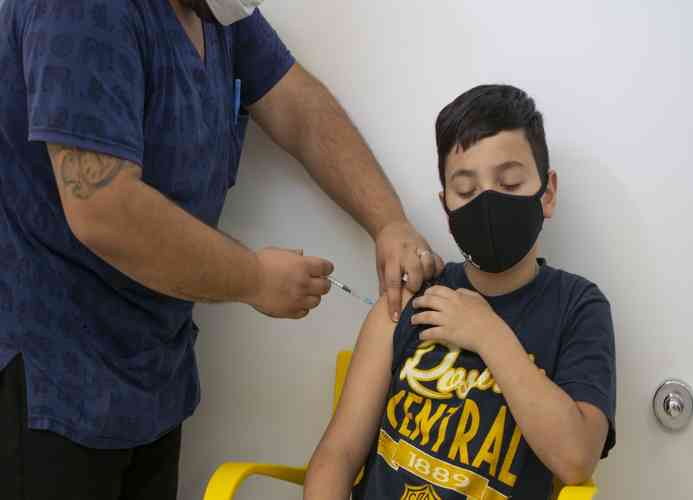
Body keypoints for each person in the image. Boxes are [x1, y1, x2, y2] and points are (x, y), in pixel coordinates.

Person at [0, 1, 443, 499]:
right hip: (49, 382)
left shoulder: (216, 15)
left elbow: (298, 108)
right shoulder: (81, 11)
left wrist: (388, 221)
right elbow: (103, 208)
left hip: (149, 374)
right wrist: (256, 279)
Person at [304, 85, 617, 500]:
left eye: (509, 183)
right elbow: (338, 455)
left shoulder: (577, 308)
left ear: (548, 193)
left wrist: (488, 333)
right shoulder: (412, 295)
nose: (487, 204)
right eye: (466, 191)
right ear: (447, 207)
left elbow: (575, 458)